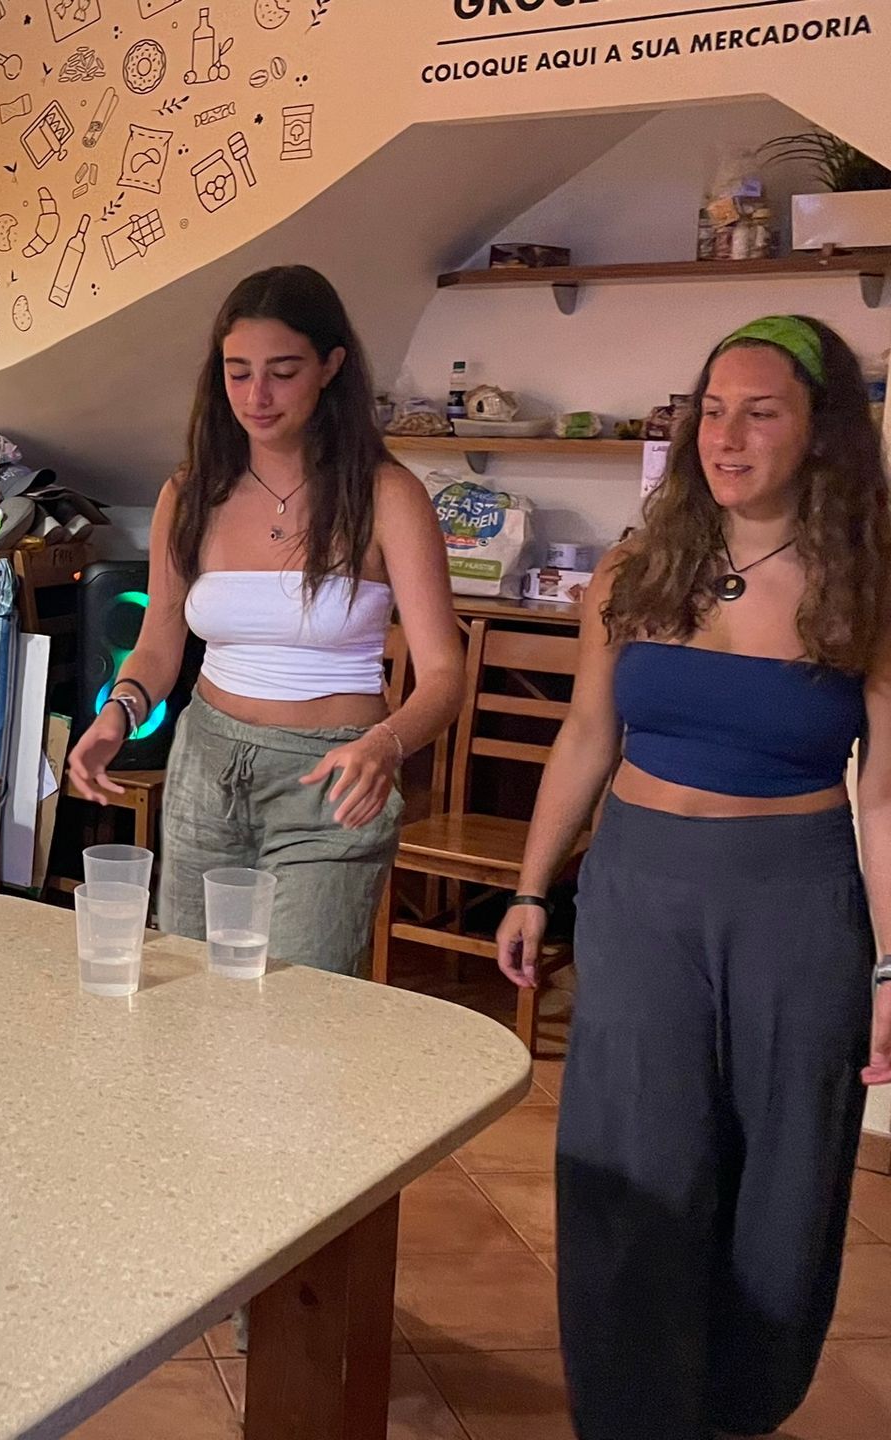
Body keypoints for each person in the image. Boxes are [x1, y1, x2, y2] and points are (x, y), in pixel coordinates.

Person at [495, 315, 891, 1440]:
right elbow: (586, 736)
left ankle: (739, 1406)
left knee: (784, 1170)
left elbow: (885, 795)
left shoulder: (867, 586)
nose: (728, 437)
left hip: (797, 899)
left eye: (761, 413)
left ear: (821, 433)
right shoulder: (637, 569)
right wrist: (531, 886)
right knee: (633, 1156)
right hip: (639, 889)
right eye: (712, 412)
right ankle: (631, 1415)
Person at [67, 265, 462, 975]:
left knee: (296, 1007)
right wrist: (116, 716)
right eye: (238, 372)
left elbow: (442, 675)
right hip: (206, 766)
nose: (257, 396)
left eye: (282, 372)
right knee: (190, 989)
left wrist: (386, 745)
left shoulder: (387, 495)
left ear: (330, 367)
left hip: (332, 778)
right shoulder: (190, 492)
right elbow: (158, 644)